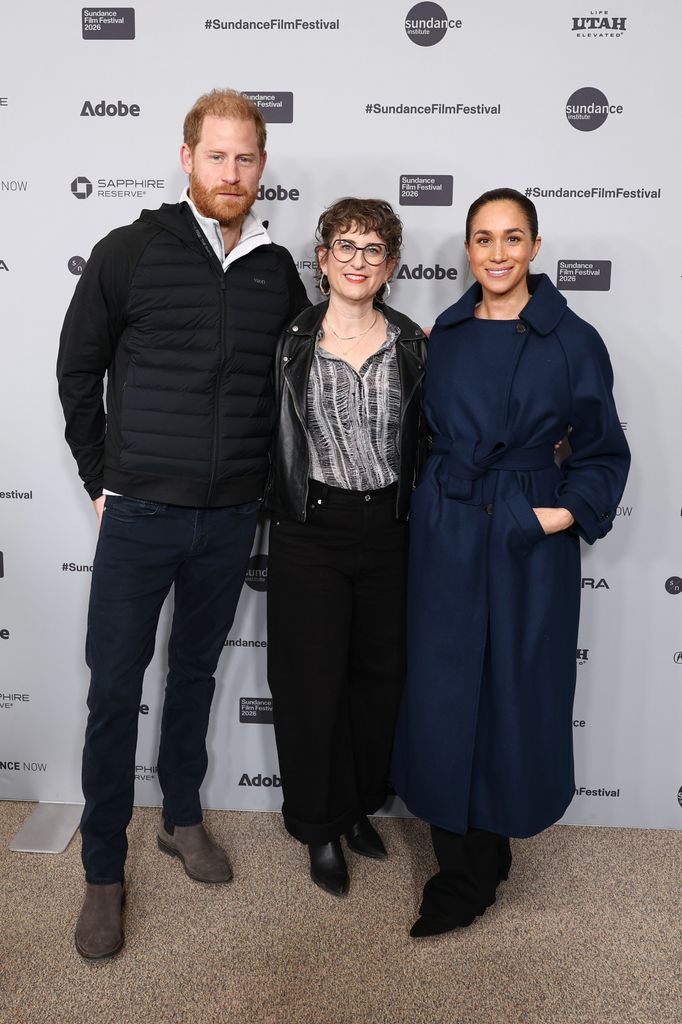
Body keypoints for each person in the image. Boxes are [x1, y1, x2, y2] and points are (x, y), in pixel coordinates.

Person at [57, 88, 309, 960]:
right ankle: (101, 869)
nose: (231, 172)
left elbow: (294, 381)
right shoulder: (129, 251)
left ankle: (183, 817)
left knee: (195, 673)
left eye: (246, 159)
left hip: (231, 514)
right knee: (113, 693)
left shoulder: (277, 267)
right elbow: (76, 372)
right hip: (140, 515)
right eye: (217, 156)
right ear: (187, 156)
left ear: (261, 167)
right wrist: (103, 479)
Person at [391, 188, 630, 938]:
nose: (497, 253)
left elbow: (602, 451)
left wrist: (550, 517)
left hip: (527, 536)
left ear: (534, 247)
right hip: (450, 527)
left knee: (515, 691)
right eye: (483, 239)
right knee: (443, 690)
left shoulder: (574, 339)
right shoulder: (447, 334)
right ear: (468, 249)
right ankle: (460, 866)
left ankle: (493, 845)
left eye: (512, 238)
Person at [265, 198, 428, 896]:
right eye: (346, 246)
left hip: (390, 531)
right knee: (310, 685)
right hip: (312, 529)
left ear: (390, 264)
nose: (358, 260)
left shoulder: (415, 344)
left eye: (373, 249)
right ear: (322, 258)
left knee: (377, 682)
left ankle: (359, 805)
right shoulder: (291, 342)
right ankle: (316, 825)